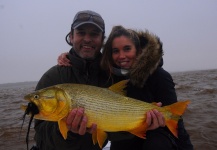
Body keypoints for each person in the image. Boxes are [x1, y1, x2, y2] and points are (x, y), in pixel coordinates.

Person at [34, 10, 164, 150]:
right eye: (81, 32)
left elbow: (139, 59)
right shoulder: (52, 77)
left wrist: (143, 124)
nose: (87, 39)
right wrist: (68, 132)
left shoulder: (113, 73)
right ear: (71, 37)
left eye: (94, 34)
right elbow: (41, 139)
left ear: (102, 40)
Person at [58, 25, 193, 150]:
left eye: (127, 49)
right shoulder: (110, 74)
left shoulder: (160, 76)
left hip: (158, 137)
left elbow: (177, 124)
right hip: (124, 136)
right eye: (115, 51)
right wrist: (69, 57)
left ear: (138, 50)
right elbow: (87, 64)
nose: (122, 56)